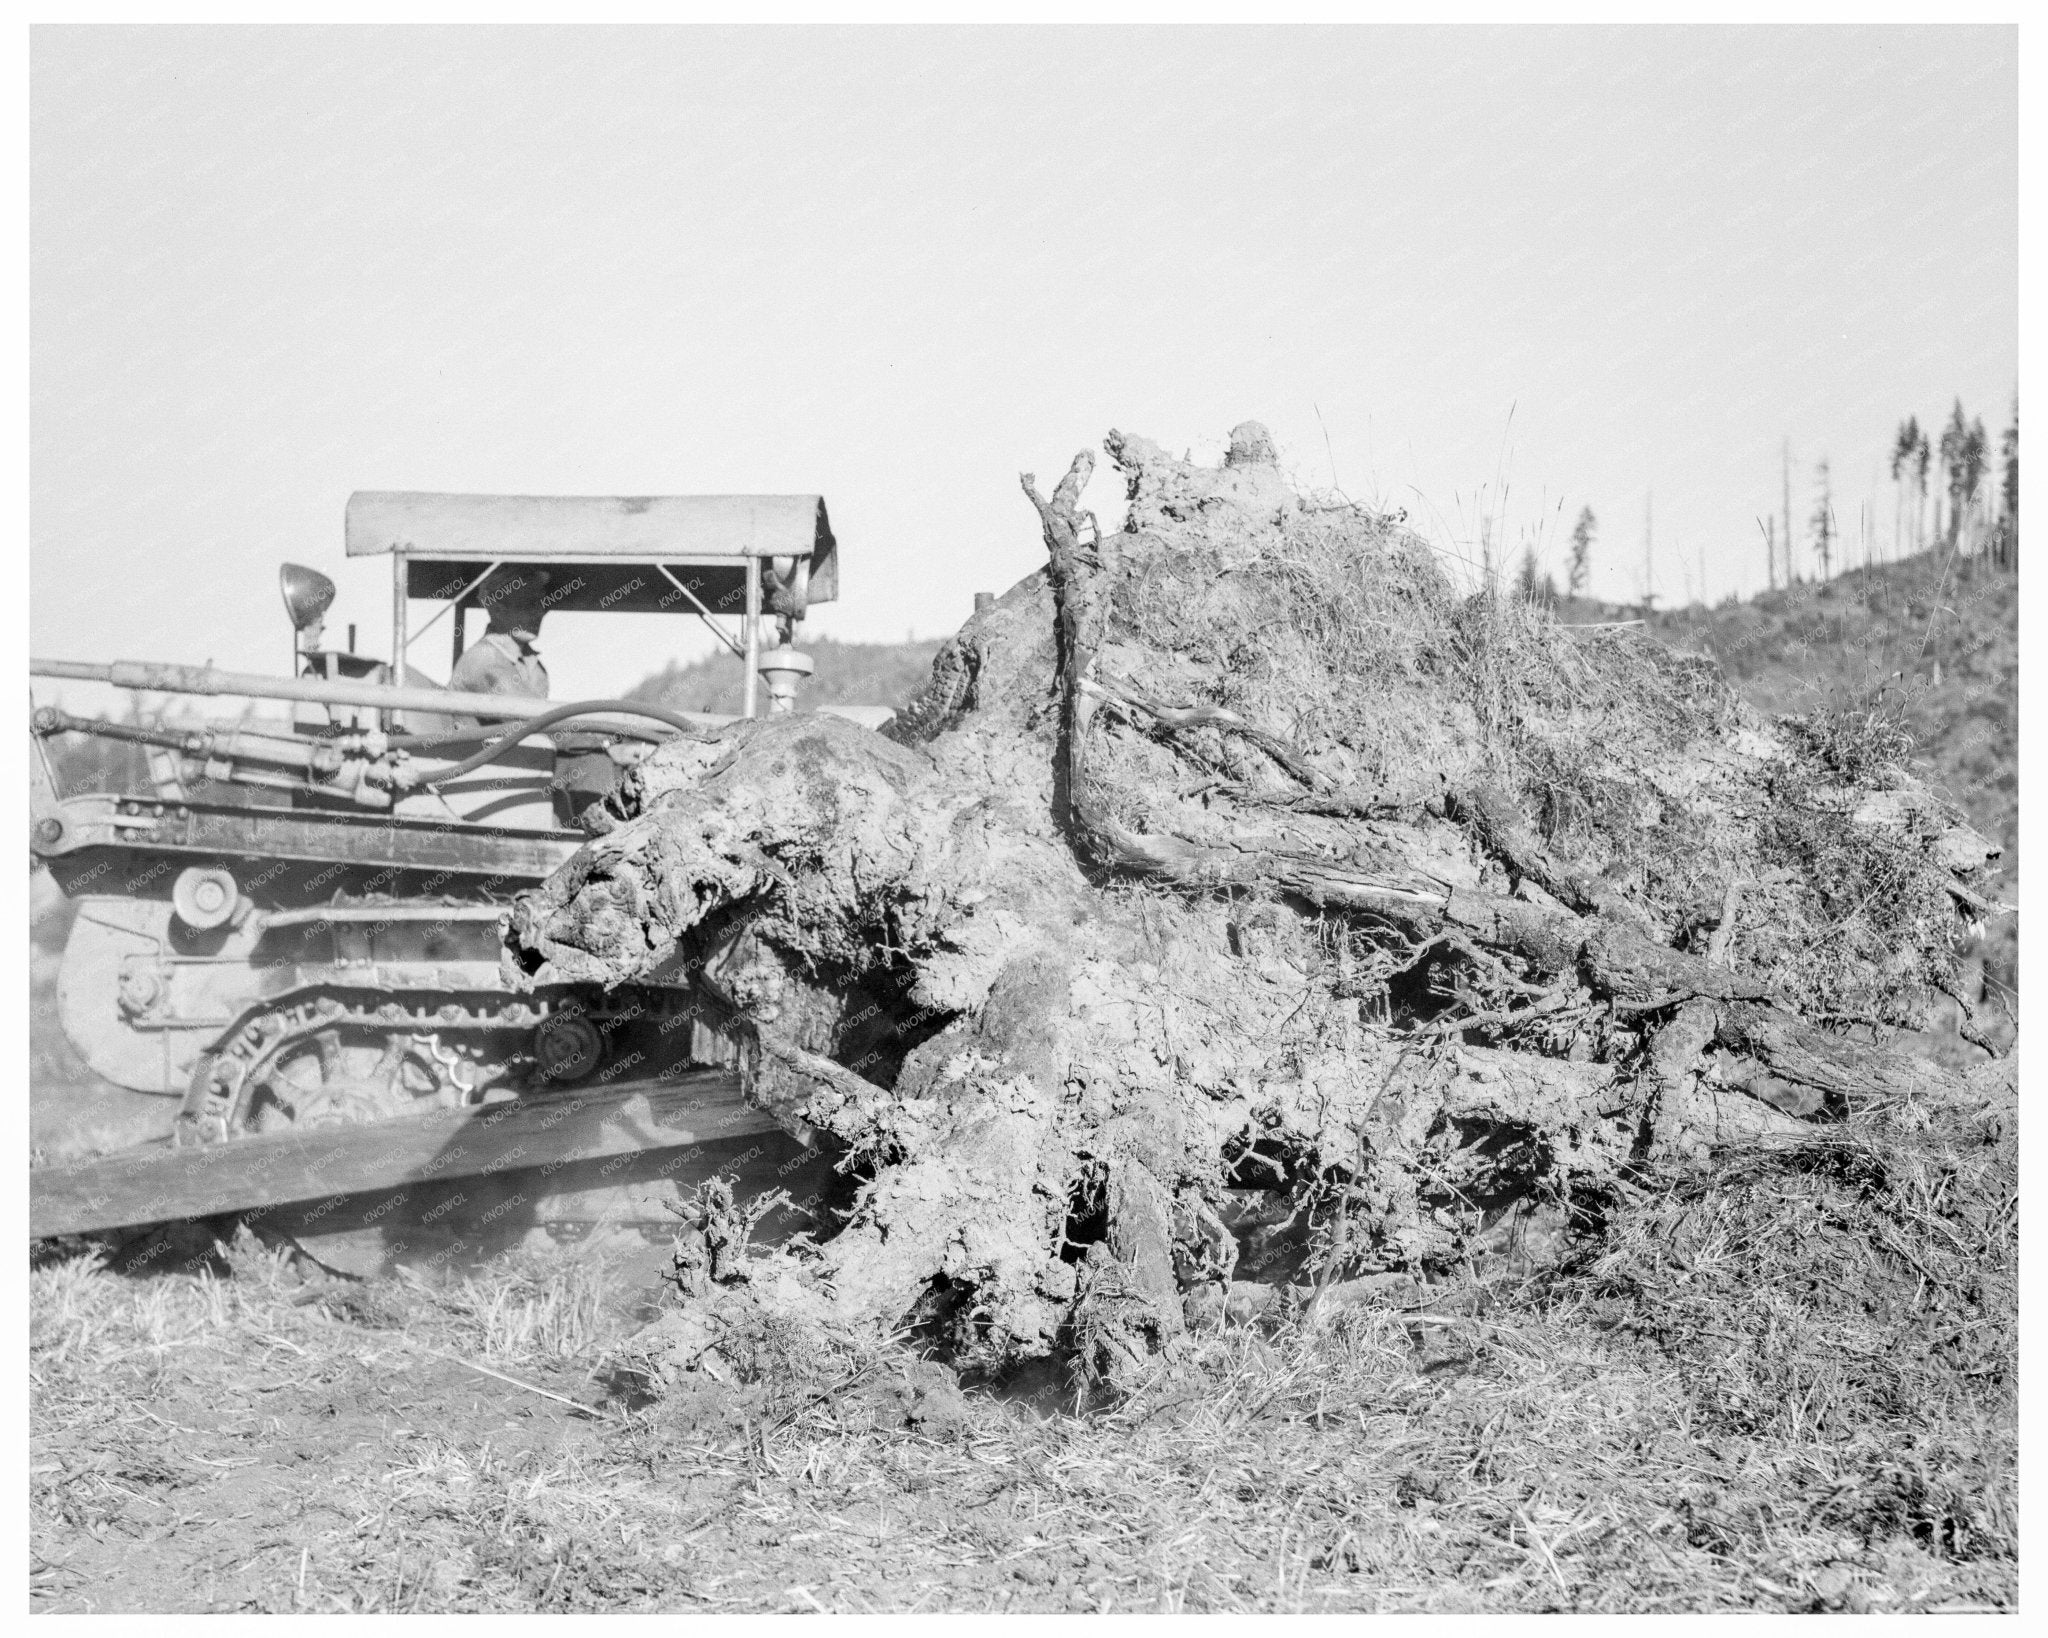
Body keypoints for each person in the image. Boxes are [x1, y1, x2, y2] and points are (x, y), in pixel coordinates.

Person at [450, 569, 551, 703]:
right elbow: (526, 715)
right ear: (498, 610)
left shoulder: (531, 662)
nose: (539, 613)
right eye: (529, 604)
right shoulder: (484, 657)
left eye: (541, 605)